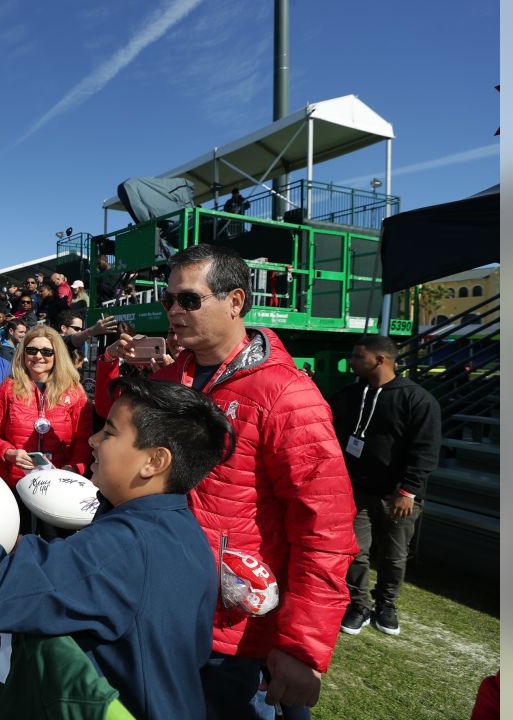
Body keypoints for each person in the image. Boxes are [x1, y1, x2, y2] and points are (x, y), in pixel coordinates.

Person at [95, 243, 356, 718]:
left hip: (237, 633)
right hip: (164, 608)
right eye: (168, 299)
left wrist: (302, 647)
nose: (174, 310)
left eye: (189, 300)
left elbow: (327, 527)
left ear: (235, 301)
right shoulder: (176, 376)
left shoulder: (289, 396)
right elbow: (115, 429)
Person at [0, 377, 235, 720]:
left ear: (155, 462)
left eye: (109, 433)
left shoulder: (122, 550)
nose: (93, 440)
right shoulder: (182, 531)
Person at [332, 335, 441, 637]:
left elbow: (426, 448)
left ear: (380, 360)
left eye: (358, 357)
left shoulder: (417, 399)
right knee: (354, 551)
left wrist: (408, 490)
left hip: (397, 495)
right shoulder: (350, 394)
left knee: (394, 556)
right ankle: (358, 604)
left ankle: (387, 605)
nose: (351, 362)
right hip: (356, 490)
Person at [0, 327, 93, 529]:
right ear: (23, 353)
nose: (38, 356)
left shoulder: (74, 391)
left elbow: (83, 441)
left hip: (58, 486)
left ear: (57, 355)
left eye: (46, 351)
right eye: (32, 350)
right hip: (16, 483)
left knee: (56, 548)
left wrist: (72, 469)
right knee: (19, 545)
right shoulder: (7, 389)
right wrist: (8, 453)